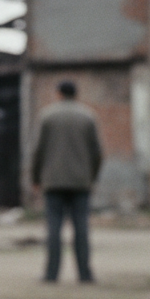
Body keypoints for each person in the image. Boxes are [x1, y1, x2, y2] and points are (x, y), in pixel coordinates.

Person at [30, 81, 102, 283]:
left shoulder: (48, 116)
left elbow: (38, 151)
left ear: (58, 93)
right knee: (81, 228)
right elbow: (97, 152)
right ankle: (85, 274)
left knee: (54, 228)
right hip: (81, 182)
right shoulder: (88, 116)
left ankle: (51, 274)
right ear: (76, 94)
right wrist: (92, 177)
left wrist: (36, 178)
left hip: (53, 181)